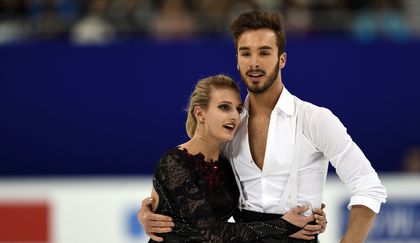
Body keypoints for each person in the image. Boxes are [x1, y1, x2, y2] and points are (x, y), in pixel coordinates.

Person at [139, 11, 387, 243]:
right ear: (237, 60)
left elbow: (368, 185)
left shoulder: (315, 119)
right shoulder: (229, 127)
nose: (254, 62)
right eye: (246, 53)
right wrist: (148, 210)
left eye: (264, 52)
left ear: (282, 60)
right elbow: (183, 166)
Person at [146, 74, 327, 243]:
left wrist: (311, 215)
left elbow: (246, 214)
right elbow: (210, 231)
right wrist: (283, 226)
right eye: (224, 107)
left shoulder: (226, 163)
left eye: (238, 109)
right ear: (200, 113)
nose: (234, 115)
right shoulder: (174, 162)